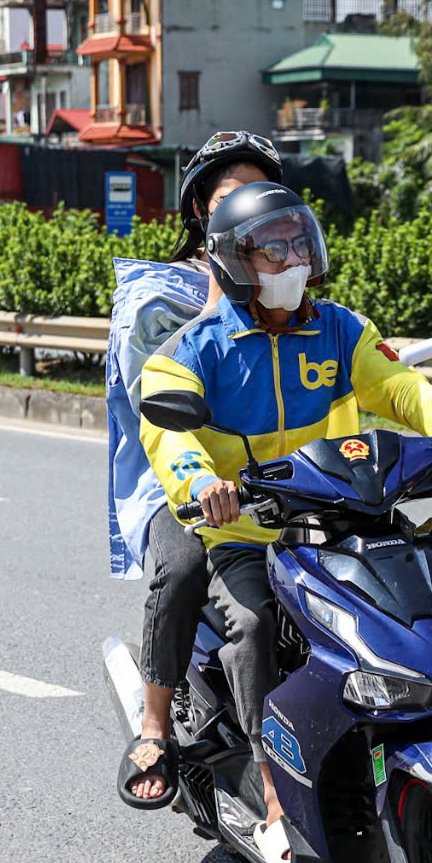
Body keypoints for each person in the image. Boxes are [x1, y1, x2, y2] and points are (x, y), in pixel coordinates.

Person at [140, 182, 432, 863]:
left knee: (421, 604)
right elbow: (169, 435)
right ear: (234, 260)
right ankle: (274, 792)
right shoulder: (196, 348)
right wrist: (202, 484)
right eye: (272, 248)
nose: (292, 258)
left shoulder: (340, 328)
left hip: (338, 519)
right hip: (243, 530)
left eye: (298, 241)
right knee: (251, 626)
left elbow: (399, 388)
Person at [108, 131, 289, 809]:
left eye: (259, 194)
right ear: (200, 213)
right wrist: (229, 311)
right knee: (183, 565)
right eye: (227, 197)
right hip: (183, 478)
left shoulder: (289, 279)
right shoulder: (163, 293)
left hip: (280, 478)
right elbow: (149, 397)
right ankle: (153, 724)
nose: (246, 209)